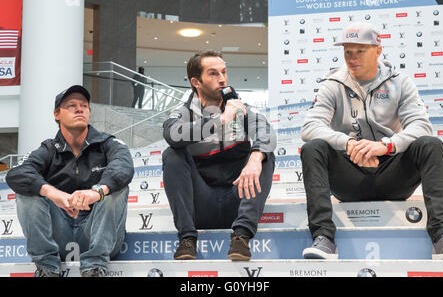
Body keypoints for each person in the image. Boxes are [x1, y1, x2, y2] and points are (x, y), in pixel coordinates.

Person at [300, 22, 443, 260]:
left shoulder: (400, 82)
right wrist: (349, 144)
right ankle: (324, 239)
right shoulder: (333, 84)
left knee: (430, 144)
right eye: (348, 51)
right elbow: (309, 127)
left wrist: (386, 145)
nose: (352, 57)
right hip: (350, 176)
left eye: (360, 51)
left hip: (393, 173)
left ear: (378, 50)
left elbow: (422, 126)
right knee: (313, 148)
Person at [5, 85, 134, 276]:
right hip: (59, 236)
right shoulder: (48, 149)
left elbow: (124, 167)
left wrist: (95, 192)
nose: (80, 109)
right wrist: (52, 193)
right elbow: (16, 173)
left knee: (114, 189)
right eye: (71, 105)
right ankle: (47, 267)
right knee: (28, 191)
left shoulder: (109, 143)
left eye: (84, 105)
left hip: (98, 235)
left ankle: (94, 267)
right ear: (57, 114)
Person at [162, 50, 276, 261]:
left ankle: (241, 237)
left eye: (224, 72)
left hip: (238, 199)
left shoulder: (239, 107)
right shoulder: (184, 112)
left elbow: (267, 132)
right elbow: (172, 135)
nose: (222, 79)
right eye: (213, 74)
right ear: (196, 81)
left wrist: (255, 157)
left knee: (264, 154)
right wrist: (220, 121)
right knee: (172, 155)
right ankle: (187, 239)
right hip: (202, 205)